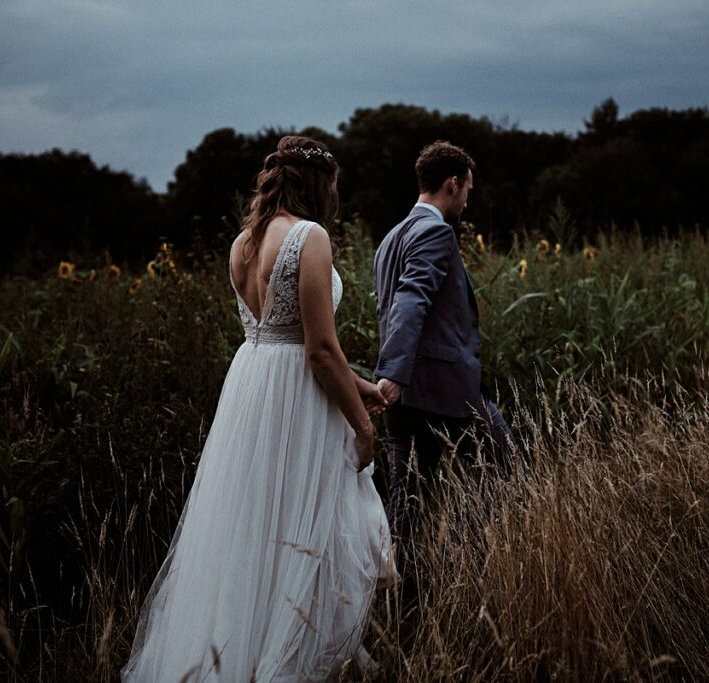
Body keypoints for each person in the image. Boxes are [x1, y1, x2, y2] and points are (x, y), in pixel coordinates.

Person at [122, 136, 395, 682]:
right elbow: (316, 347)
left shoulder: (242, 244)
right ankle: (286, 658)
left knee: (253, 525)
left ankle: (234, 652)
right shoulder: (309, 237)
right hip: (297, 398)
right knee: (303, 523)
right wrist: (362, 427)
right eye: (333, 186)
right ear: (318, 184)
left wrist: (360, 384)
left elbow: (283, 336)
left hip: (252, 386)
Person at [373, 140, 514, 580]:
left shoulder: (391, 237)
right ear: (453, 184)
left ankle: (408, 605)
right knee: (506, 460)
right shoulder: (436, 232)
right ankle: (461, 558)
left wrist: (393, 379)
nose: (468, 198)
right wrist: (394, 373)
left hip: (405, 397)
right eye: (468, 188)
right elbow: (411, 301)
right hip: (441, 392)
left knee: (407, 507)